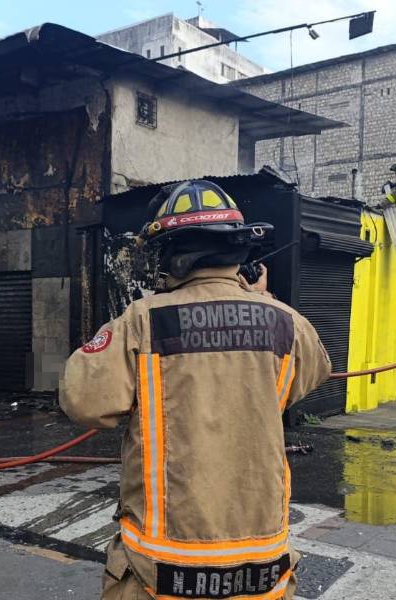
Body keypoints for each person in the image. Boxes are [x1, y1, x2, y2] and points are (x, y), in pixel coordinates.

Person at [60, 180, 331, 600]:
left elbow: (80, 398)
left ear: (172, 253)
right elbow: (310, 376)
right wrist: (260, 298)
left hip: (161, 572)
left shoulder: (143, 321)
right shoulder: (286, 323)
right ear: (239, 252)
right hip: (260, 572)